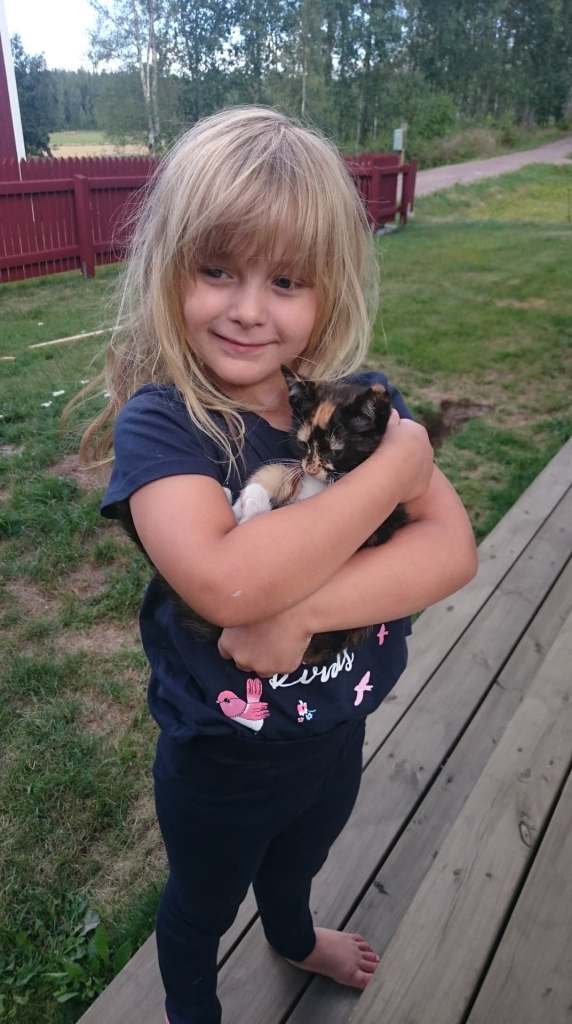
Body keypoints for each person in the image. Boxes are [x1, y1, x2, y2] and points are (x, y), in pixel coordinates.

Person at [78, 106, 477, 1024]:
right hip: (222, 757)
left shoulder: (355, 403)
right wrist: (398, 474)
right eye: (217, 269)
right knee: (201, 906)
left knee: (302, 858)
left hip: (338, 722)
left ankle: (293, 937)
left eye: (286, 279)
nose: (250, 308)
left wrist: (303, 612)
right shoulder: (164, 425)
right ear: (167, 268)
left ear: (328, 291)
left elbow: (452, 550)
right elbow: (229, 583)